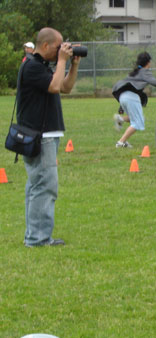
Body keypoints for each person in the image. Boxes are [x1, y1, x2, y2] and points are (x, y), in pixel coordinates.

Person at [17, 27, 81, 247]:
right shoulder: (32, 66)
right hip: (40, 135)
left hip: (44, 134)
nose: (62, 49)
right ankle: (38, 238)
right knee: (45, 186)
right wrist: (62, 59)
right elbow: (54, 86)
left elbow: (65, 87)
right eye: (58, 46)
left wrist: (73, 65)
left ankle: (34, 236)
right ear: (45, 46)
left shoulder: (41, 66)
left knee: (37, 186)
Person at [112, 52, 156, 148]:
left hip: (123, 97)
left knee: (138, 119)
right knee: (138, 123)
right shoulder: (144, 71)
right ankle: (120, 142)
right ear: (148, 62)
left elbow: (126, 87)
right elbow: (155, 82)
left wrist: (121, 107)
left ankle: (121, 119)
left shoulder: (136, 71)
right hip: (131, 97)